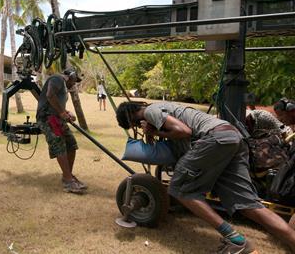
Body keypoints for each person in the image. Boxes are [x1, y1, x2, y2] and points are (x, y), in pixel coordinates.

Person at [115, 101, 295, 253]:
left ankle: (236, 240)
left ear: (131, 117)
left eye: (135, 125)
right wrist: (155, 133)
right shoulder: (166, 107)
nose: (139, 127)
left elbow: (183, 131)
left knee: (179, 190)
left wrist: (153, 132)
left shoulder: (149, 111)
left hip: (214, 138)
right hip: (232, 137)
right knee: (248, 204)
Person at [36, 68, 87, 194]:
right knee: (59, 144)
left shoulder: (63, 86)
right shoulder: (57, 79)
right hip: (48, 118)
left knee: (71, 143)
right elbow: (49, 95)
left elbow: (57, 103)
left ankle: (67, 176)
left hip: (57, 118)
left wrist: (67, 112)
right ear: (70, 76)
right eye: (74, 80)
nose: (74, 84)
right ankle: (69, 181)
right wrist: (61, 112)